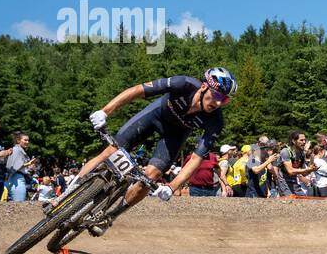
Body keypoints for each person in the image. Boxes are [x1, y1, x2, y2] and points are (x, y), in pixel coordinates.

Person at [68, 68, 236, 228]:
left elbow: (196, 159)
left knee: (151, 177)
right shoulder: (183, 84)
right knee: (110, 152)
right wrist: (105, 111)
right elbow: (138, 90)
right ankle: (67, 195)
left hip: (175, 136)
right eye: (216, 94)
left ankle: (111, 215)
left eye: (225, 99)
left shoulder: (216, 121)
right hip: (154, 116)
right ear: (204, 86)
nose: (219, 102)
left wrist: (172, 186)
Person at [5, 132, 37, 201]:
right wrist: (28, 164)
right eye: (25, 140)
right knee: (19, 204)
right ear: (18, 140)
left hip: (15, 178)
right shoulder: (17, 150)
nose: (27, 142)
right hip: (16, 179)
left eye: (28, 140)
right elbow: (15, 167)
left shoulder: (19, 150)